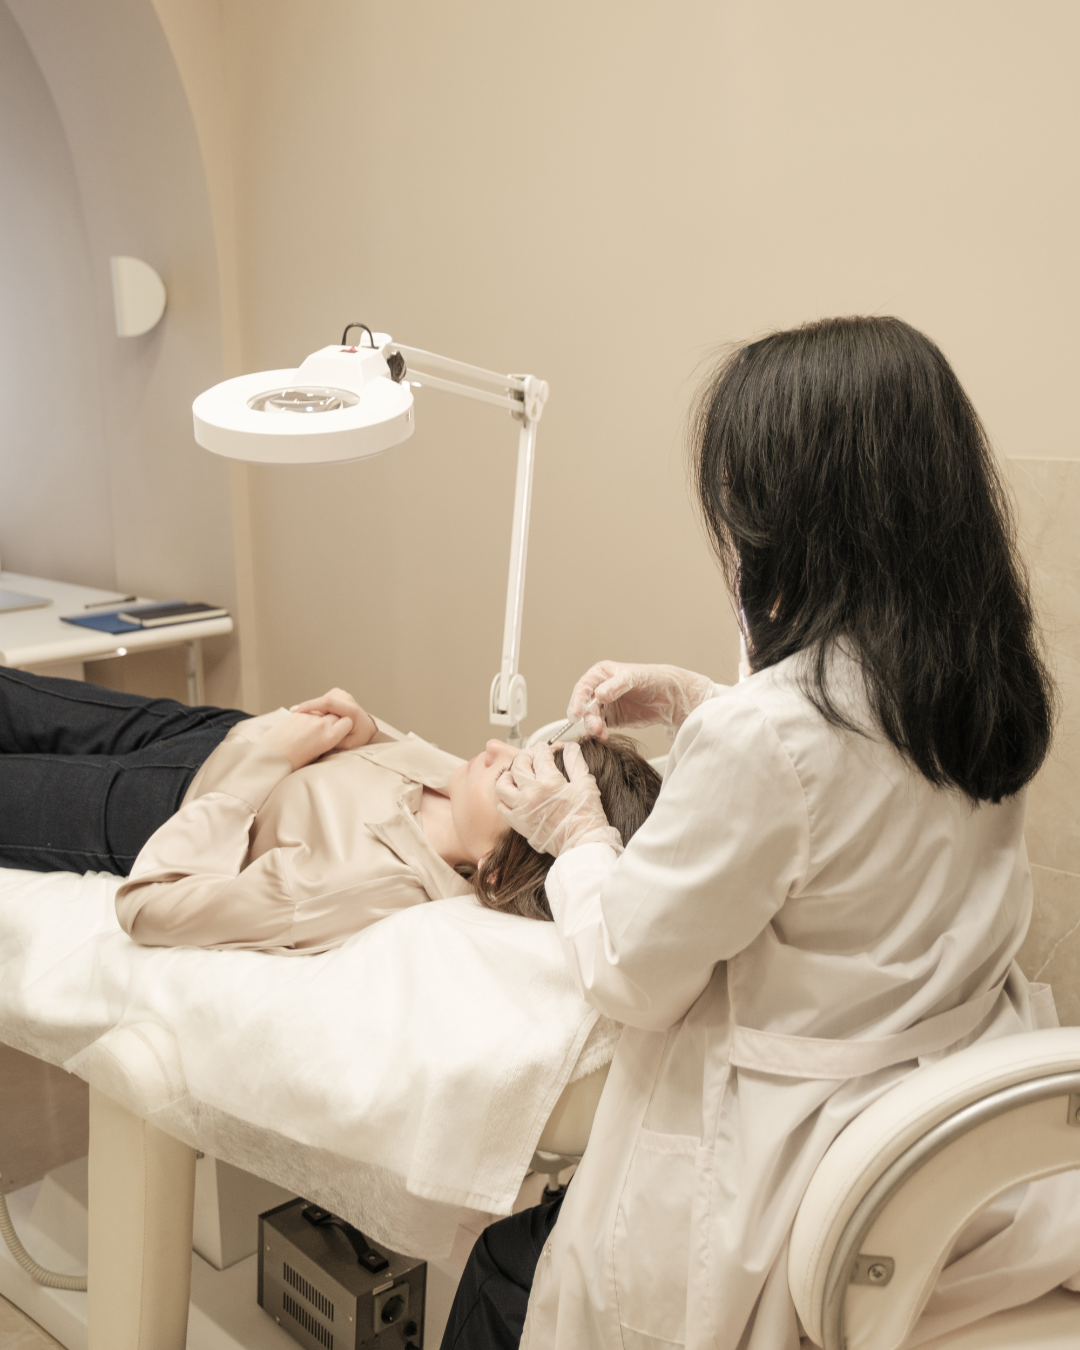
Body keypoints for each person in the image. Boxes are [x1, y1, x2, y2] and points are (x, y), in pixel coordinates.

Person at [439, 316, 1080, 1350]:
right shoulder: (975, 679)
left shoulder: (772, 734)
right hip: (961, 1150)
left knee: (506, 1270)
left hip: (801, 1168)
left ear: (803, 517)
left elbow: (632, 976)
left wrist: (577, 834)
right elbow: (852, 808)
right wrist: (699, 703)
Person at [0, 668, 660, 949]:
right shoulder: (465, 797)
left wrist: (269, 761)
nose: (495, 748)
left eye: (514, 775)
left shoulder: (358, 886)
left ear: (495, 868)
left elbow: (150, 907)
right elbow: (385, 772)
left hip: (164, 805)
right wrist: (369, 732)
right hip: (216, 729)